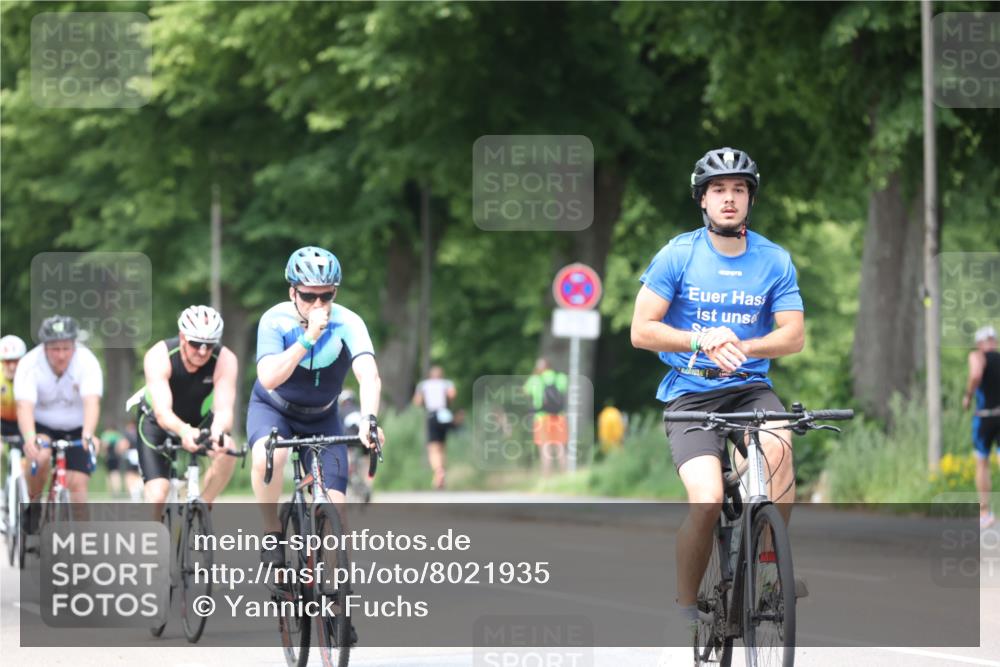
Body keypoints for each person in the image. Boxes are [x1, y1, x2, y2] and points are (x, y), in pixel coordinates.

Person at [629, 147, 805, 631]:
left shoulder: (774, 260)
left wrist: (744, 348)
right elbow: (641, 330)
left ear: (750, 199)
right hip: (690, 393)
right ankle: (690, 604)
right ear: (702, 200)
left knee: (780, 449)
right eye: (719, 190)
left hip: (749, 389)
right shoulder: (678, 254)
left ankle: (769, 570)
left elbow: (793, 335)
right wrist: (699, 338)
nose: (729, 198)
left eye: (739, 190)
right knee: (706, 500)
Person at [248, 246, 384, 565]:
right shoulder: (274, 320)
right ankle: (272, 533)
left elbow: (369, 374)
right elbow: (268, 377)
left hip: (322, 416)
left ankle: (335, 606)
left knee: (337, 512)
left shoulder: (349, 322)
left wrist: (369, 419)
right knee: (271, 454)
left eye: (327, 295)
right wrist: (308, 337)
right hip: (274, 408)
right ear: (292, 292)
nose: (319, 304)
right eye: (309, 296)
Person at [137, 305, 239, 518]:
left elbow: (224, 410)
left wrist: (218, 432)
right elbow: (163, 412)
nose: (202, 351)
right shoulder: (159, 355)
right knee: (158, 494)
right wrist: (184, 432)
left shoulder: (225, 359)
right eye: (195, 344)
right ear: (182, 337)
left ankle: (203, 507)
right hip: (157, 422)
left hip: (199, 419)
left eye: (209, 345)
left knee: (228, 449)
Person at [15, 316, 104, 516]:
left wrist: (88, 434)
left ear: (74, 346)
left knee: (79, 487)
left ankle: (80, 544)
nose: (61, 355)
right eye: (55, 349)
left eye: (66, 348)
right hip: (42, 425)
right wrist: (30, 437)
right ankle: (34, 502)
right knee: (41, 454)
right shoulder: (30, 363)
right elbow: (24, 405)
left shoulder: (86, 361)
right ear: (45, 348)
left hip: (76, 427)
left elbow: (91, 401)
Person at [962, 325, 999, 530]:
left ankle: (985, 512)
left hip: (985, 417)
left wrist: (968, 396)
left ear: (979, 343)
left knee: (982, 463)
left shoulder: (977, 356)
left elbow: (976, 375)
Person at [522, 358, 569, 476]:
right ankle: (565, 476)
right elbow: (564, 388)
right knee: (560, 447)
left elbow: (525, 391)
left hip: (542, 418)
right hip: (559, 417)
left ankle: (546, 477)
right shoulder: (560, 377)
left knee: (545, 448)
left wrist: (534, 375)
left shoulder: (535, 379)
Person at [413, 365, 456, 489]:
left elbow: (417, 401)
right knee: (442, 447)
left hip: (432, 415)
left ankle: (438, 472)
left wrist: (425, 401)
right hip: (445, 415)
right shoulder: (447, 383)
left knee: (433, 448)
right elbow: (452, 395)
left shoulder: (423, 385)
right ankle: (442, 470)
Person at [1, 335, 27, 485]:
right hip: (2, 421)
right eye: (7, 361)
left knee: (28, 460)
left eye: (16, 361)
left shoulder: (29, 376)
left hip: (22, 422)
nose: (12, 366)